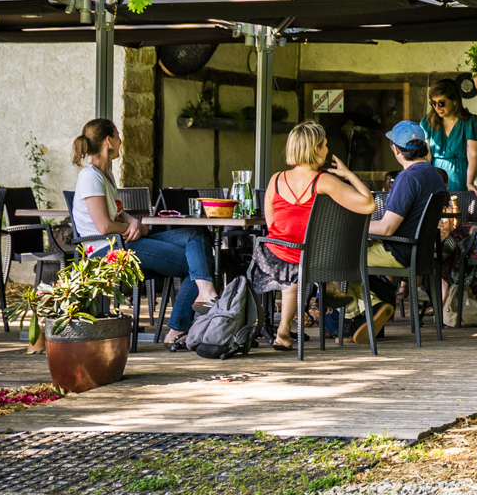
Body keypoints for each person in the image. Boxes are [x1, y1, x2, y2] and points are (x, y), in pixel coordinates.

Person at [68, 118, 217, 352]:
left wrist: (133, 222)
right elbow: (104, 226)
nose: (121, 140)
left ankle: (205, 293)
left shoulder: (106, 175)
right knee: (198, 265)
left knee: (197, 234)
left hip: (125, 241)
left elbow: (116, 212)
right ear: (109, 141)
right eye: (118, 135)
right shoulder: (90, 176)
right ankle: (180, 326)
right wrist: (132, 229)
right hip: (106, 250)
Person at [254, 121, 376, 350]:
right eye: (325, 145)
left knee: (293, 270)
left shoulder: (275, 179)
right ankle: (325, 287)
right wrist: (348, 174)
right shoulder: (325, 181)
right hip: (316, 258)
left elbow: (272, 225)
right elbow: (368, 204)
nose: (327, 150)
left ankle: (284, 329)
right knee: (301, 267)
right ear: (316, 149)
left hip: (275, 257)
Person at [359, 122, 449, 343]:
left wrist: (354, 226)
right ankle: (371, 312)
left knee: (340, 258)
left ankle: (375, 307)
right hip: (418, 252)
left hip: (398, 251)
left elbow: (387, 228)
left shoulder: (408, 177)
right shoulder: (434, 174)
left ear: (396, 151)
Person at [423, 79, 477, 194]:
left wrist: (469, 183)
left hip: (460, 177)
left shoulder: (471, 122)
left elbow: (473, 155)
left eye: (441, 103)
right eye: (433, 103)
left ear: (454, 101)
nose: (437, 107)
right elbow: (426, 154)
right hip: (435, 175)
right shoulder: (428, 122)